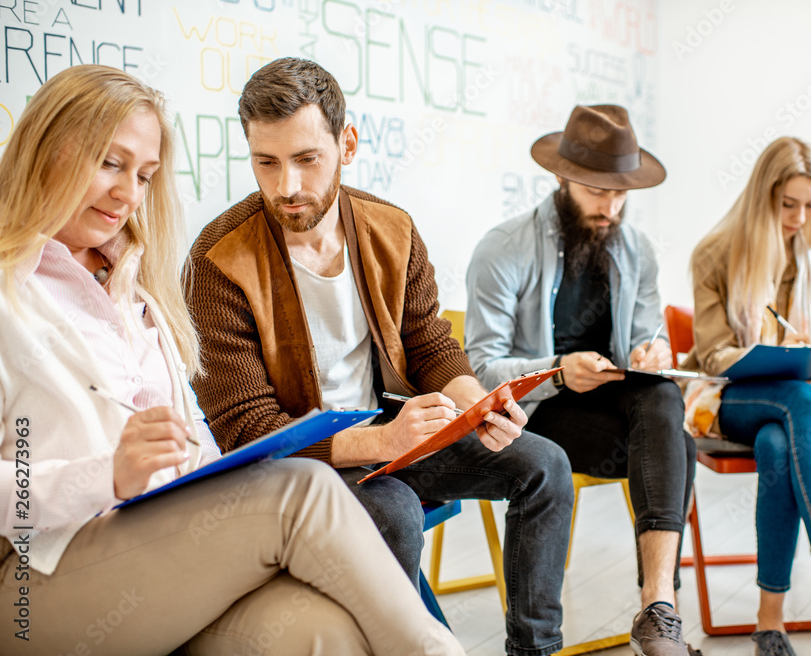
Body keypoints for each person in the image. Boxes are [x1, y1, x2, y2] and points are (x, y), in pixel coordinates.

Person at [0, 65, 463, 656]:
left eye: (144, 175)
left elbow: (188, 435)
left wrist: (216, 470)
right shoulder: (11, 291)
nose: (129, 194)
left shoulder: (136, 287)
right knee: (304, 490)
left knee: (330, 634)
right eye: (110, 164)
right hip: (36, 576)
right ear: (46, 149)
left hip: (163, 544)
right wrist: (105, 476)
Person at [185, 57, 574, 656]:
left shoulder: (391, 229)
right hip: (296, 464)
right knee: (392, 510)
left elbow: (429, 343)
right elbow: (244, 431)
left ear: (348, 144)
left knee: (545, 466)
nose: (286, 185)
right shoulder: (217, 261)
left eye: (306, 158)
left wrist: (476, 401)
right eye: (266, 162)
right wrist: (379, 442)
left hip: (395, 437)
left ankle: (534, 652)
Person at [465, 104, 698, 656]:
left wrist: (651, 349)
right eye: (597, 191)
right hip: (537, 418)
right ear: (562, 177)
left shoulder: (635, 248)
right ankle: (664, 615)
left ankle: (656, 603)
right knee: (677, 445)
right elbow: (479, 372)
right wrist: (556, 374)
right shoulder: (504, 248)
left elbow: (648, 335)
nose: (610, 207)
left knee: (662, 394)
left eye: (620, 193)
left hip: (616, 414)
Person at [682, 137, 811, 656]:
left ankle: (768, 625)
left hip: (795, 406)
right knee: (799, 401)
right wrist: (764, 360)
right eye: (787, 203)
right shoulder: (715, 253)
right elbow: (711, 354)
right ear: (762, 195)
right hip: (725, 400)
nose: (800, 216)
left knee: (782, 439)